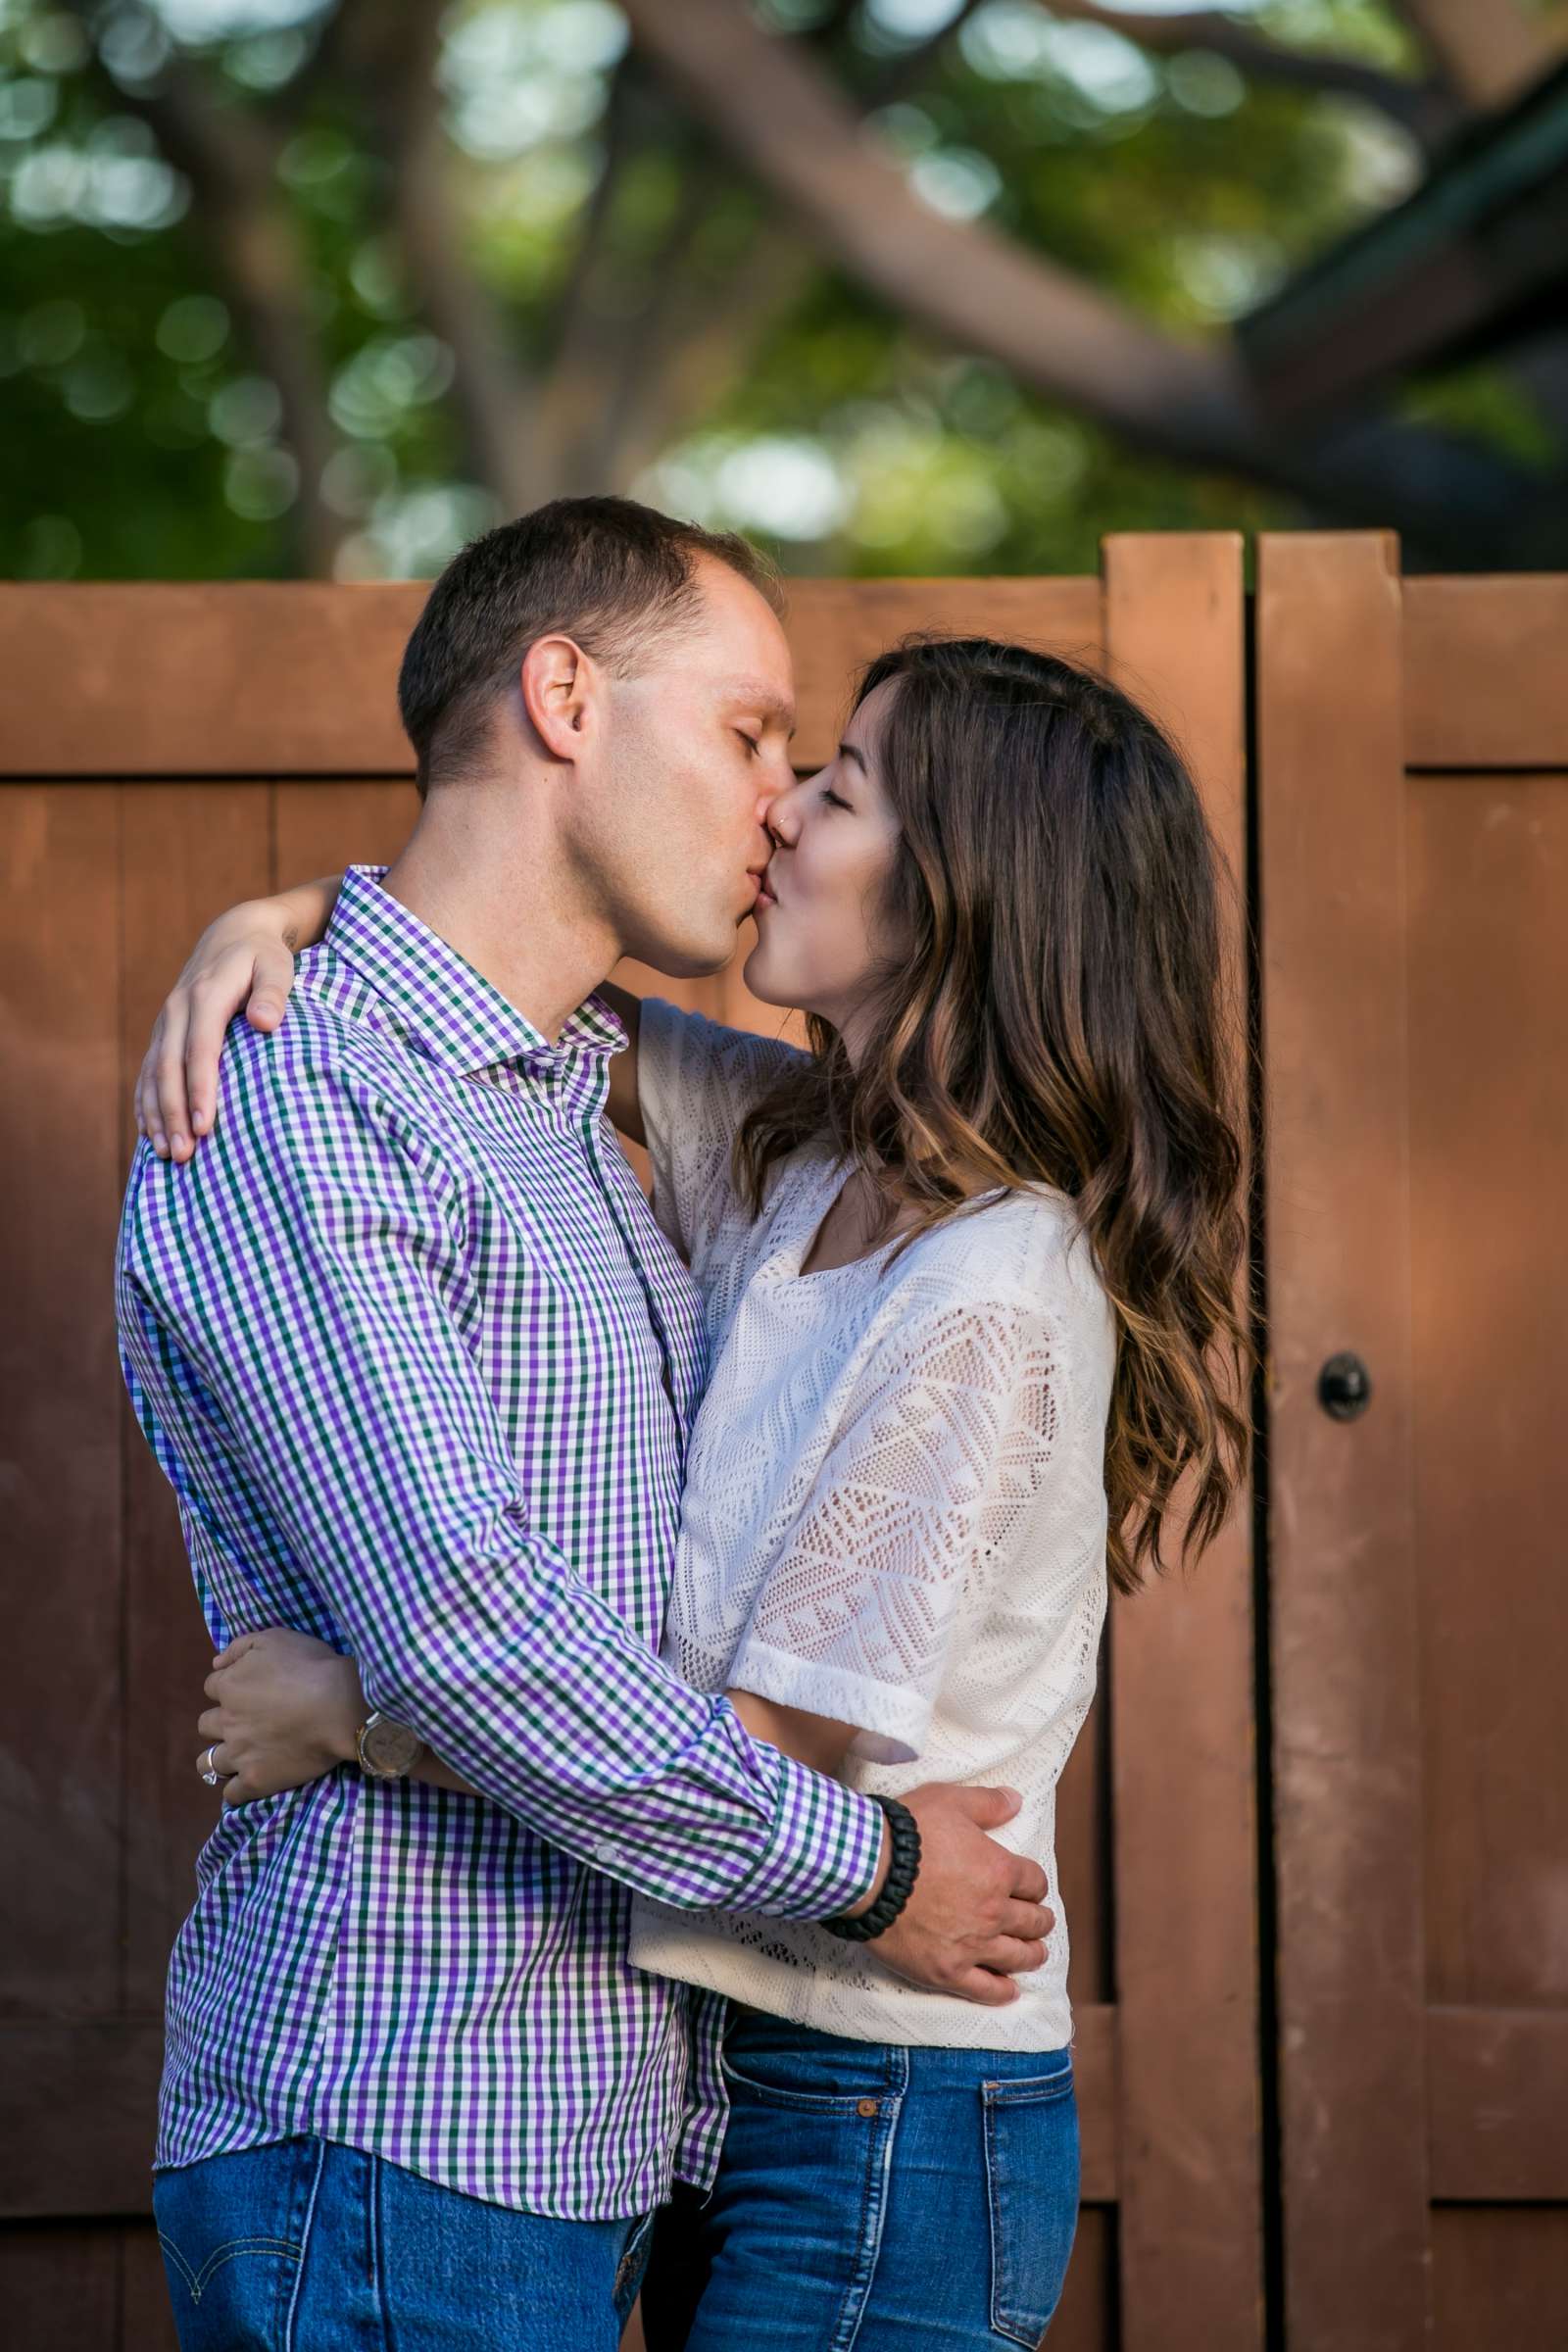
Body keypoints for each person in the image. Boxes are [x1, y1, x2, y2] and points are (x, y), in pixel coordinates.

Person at [142, 607, 1250, 2346]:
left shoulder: (990, 1290)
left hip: (884, 2113)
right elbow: (496, 983)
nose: (783, 813)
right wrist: (267, 923)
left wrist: (363, 1711)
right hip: (724, 2065)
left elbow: (763, 1754)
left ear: (970, 889)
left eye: (843, 783)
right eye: (783, 758)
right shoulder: (804, 1158)